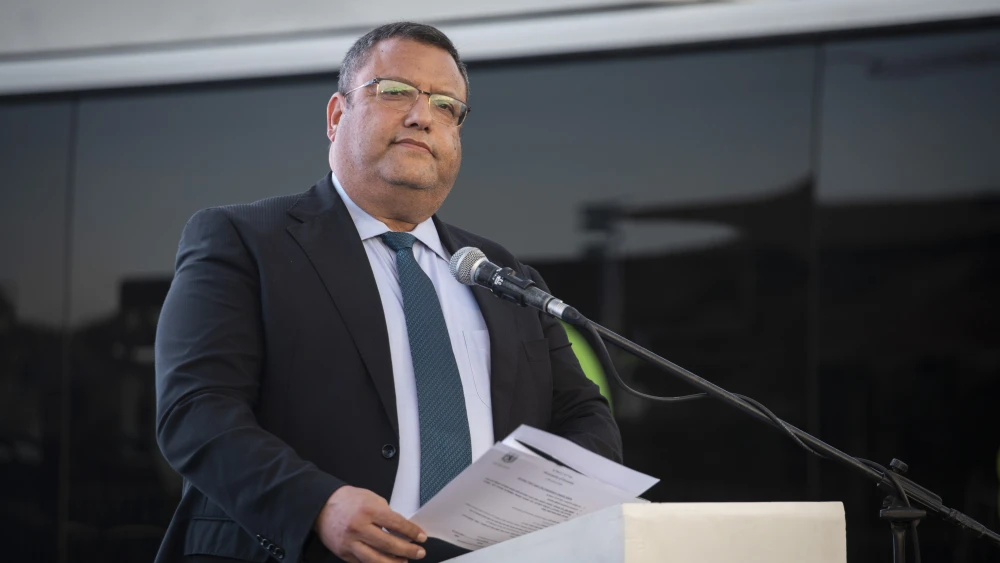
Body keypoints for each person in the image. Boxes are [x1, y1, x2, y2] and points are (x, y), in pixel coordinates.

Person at [154, 21, 622, 563]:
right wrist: (316, 504)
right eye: (396, 91)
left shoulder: (503, 274)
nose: (423, 116)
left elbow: (586, 419)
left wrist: (529, 514)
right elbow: (196, 411)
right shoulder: (244, 241)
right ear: (337, 116)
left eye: (446, 106)